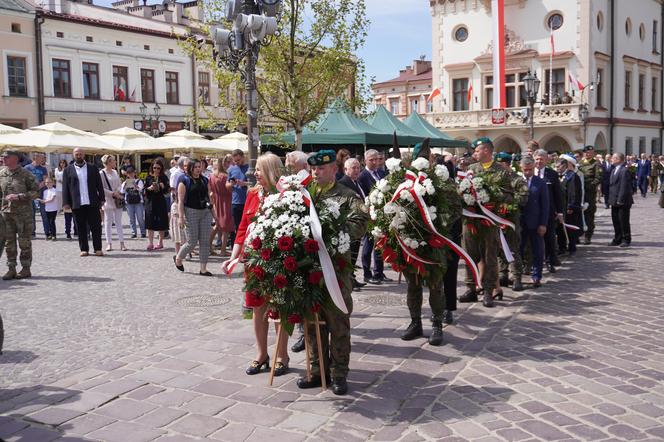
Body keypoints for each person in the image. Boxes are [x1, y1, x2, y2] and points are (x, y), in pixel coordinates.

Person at [296, 150, 368, 395]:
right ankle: (317, 371)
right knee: (312, 322)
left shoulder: (347, 196)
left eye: (321, 169)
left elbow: (361, 224)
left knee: (338, 321)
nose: (316, 173)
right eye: (313, 169)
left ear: (333, 170)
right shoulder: (305, 195)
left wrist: (333, 231)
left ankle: (339, 373)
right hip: (309, 269)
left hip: (336, 270)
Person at [221, 153, 291, 378]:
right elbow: (242, 228)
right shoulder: (252, 194)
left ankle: (282, 356)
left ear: (272, 171)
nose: (255, 174)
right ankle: (262, 354)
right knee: (258, 308)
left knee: (279, 308)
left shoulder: (286, 195)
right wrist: (234, 256)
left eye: (260, 169)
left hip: (278, 262)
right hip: (254, 261)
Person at [458, 138, 514, 308]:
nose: (475, 153)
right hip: (471, 219)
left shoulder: (502, 172)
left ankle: (489, 291)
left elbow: (510, 196)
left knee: (489, 257)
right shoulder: (471, 170)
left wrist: (491, 196)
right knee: (469, 255)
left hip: (489, 221)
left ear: (487, 151)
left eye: (478, 150)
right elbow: (461, 190)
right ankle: (471, 288)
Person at [284, 150, 312, 354]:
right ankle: (304, 332)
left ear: (300, 165)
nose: (286, 165)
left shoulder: (308, 182)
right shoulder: (288, 182)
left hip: (307, 243)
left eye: (289, 162)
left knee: (305, 289)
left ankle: (306, 334)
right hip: (292, 242)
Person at [0, 150, 39, 279]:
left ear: (15, 159)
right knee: (9, 242)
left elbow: (36, 192)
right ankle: (11, 268)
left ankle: (25, 268)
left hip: (23, 215)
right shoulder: (2, 174)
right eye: (3, 157)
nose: (3, 159)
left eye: (7, 157)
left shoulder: (26, 174)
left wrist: (19, 196)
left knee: (24, 242)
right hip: (6, 214)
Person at [495, 152, 529, 293]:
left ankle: (516, 278)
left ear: (507, 164)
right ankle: (503, 274)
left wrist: (507, 203)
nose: (497, 167)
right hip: (497, 218)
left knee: (513, 249)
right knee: (499, 248)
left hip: (511, 219)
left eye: (500, 164)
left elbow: (523, 198)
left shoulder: (517, 179)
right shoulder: (495, 179)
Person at [62, 148, 105, 257]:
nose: (79, 156)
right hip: (77, 203)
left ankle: (98, 248)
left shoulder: (92, 168)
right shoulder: (68, 170)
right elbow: (65, 187)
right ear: (73, 155)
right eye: (77, 154)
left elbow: (99, 184)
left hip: (92, 202)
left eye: (80, 154)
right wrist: (66, 202)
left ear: (84, 155)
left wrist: (102, 198)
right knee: (80, 227)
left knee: (96, 227)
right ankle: (84, 249)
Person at [174, 159, 213, 275]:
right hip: (190, 211)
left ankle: (203, 269)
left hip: (205, 212)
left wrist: (215, 215)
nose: (198, 169)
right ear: (190, 168)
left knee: (205, 241)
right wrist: (181, 217)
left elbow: (210, 199)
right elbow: (180, 201)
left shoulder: (205, 180)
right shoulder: (184, 180)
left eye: (199, 167)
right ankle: (178, 258)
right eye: (195, 167)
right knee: (192, 242)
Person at [358, 149, 389, 285]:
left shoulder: (382, 173)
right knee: (368, 245)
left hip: (382, 214)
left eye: (377, 159)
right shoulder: (362, 176)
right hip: (369, 215)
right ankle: (367, 273)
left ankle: (379, 272)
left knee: (380, 244)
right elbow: (362, 197)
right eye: (372, 160)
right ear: (365, 161)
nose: (376, 162)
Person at [337, 157, 367, 292]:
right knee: (350, 254)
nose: (356, 170)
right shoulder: (343, 183)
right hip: (349, 223)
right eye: (353, 168)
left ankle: (352, 278)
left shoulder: (356, 182)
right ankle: (349, 279)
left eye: (358, 168)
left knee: (354, 254)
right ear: (345, 169)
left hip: (357, 223)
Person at [519, 156, 549, 288]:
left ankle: (536, 276)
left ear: (533, 168)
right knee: (518, 250)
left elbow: (545, 205)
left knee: (537, 251)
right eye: (525, 170)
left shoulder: (540, 182)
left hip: (535, 223)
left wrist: (543, 224)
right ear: (521, 168)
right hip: (519, 223)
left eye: (530, 170)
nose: (527, 173)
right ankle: (517, 276)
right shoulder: (517, 181)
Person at [534, 149, 563, 273]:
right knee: (533, 239)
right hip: (533, 212)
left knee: (550, 238)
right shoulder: (528, 172)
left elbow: (558, 195)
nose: (539, 161)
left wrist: (560, 212)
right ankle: (533, 263)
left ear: (546, 160)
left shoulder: (552, 174)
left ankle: (551, 261)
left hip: (549, 212)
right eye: (537, 159)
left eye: (542, 159)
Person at [208, 157, 234, 256]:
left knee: (217, 225)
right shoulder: (225, 176)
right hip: (226, 201)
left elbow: (210, 190)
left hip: (216, 200)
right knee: (225, 227)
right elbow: (230, 190)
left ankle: (208, 246)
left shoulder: (211, 176)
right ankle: (223, 250)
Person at [100, 155, 126, 252]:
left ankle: (122, 243)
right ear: (108, 162)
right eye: (113, 161)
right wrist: (112, 193)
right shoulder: (101, 173)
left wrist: (118, 192)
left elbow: (119, 184)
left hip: (117, 199)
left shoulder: (115, 172)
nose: (115, 162)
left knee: (119, 222)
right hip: (108, 200)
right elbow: (101, 188)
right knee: (108, 222)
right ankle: (109, 243)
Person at [559, 155, 583, 255]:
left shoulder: (572, 176)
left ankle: (572, 246)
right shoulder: (561, 176)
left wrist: (571, 206)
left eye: (558, 166)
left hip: (569, 207)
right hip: (562, 206)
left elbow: (574, 193)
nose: (557, 168)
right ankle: (562, 247)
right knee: (561, 228)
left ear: (565, 166)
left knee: (570, 227)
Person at [578, 145, 603, 244]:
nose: (587, 154)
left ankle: (588, 235)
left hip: (589, 193)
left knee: (589, 214)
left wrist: (590, 186)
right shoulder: (579, 164)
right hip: (580, 193)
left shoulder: (596, 164)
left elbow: (599, 178)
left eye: (590, 152)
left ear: (593, 153)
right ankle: (578, 234)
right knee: (579, 214)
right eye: (586, 152)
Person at [608, 153, 633, 247]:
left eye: (613, 158)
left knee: (623, 221)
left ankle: (626, 239)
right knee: (616, 221)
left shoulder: (624, 170)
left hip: (622, 201)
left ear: (619, 159)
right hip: (614, 200)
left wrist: (620, 199)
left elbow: (624, 186)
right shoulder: (614, 169)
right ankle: (617, 238)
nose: (611, 159)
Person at [144, 158, 170, 250]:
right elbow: (144, 190)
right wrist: (149, 188)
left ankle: (160, 242)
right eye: (154, 168)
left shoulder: (164, 177)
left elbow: (167, 190)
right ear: (152, 168)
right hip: (150, 202)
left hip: (160, 202)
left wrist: (163, 187)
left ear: (161, 168)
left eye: (158, 168)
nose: (156, 170)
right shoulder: (148, 177)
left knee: (161, 223)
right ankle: (150, 243)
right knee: (150, 222)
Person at [24, 153, 49, 238]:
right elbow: (24, 180)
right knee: (31, 214)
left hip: (41, 194)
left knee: (44, 214)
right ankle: (32, 232)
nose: (43, 159)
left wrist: (37, 187)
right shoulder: (27, 168)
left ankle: (47, 232)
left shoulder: (43, 169)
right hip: (30, 194)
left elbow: (46, 180)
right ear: (35, 158)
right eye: (42, 158)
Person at [227, 149, 249, 244]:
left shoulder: (250, 168)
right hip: (235, 202)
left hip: (247, 201)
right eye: (235, 161)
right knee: (237, 227)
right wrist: (230, 184)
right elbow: (227, 185)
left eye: (239, 160)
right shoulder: (231, 169)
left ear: (243, 157)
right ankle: (236, 247)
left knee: (247, 226)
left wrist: (244, 183)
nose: (237, 162)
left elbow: (255, 183)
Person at [169, 156, 189, 256]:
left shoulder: (188, 175)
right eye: (186, 165)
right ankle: (179, 253)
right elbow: (172, 188)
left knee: (186, 231)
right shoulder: (176, 174)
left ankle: (186, 250)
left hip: (187, 205)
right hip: (177, 203)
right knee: (178, 230)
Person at [121, 166, 146, 239]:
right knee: (131, 219)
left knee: (140, 218)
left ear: (134, 173)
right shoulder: (125, 182)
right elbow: (122, 191)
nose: (131, 174)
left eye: (132, 173)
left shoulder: (139, 181)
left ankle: (143, 232)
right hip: (129, 202)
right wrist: (125, 185)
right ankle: (133, 232)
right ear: (127, 174)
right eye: (129, 173)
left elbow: (141, 190)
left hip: (138, 202)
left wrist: (135, 186)